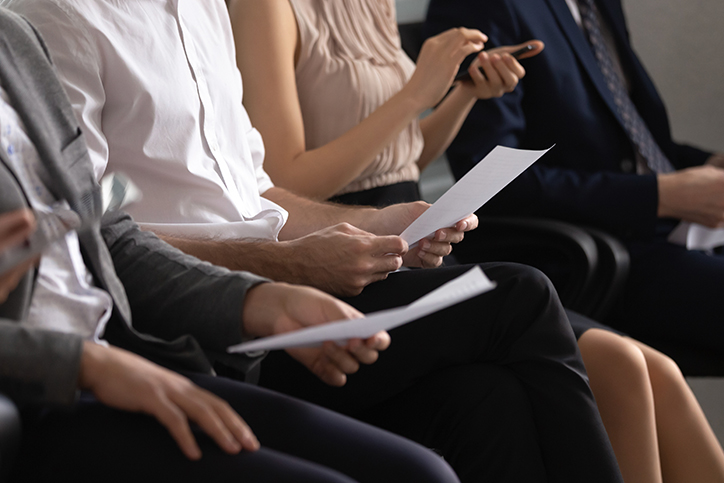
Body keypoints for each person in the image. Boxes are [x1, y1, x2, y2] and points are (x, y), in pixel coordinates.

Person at [3, 1, 628, 481]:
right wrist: (279, 269)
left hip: (272, 283)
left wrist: (367, 227)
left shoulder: (200, 10)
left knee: (486, 400)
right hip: (196, 319)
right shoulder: (56, 20)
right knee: (517, 293)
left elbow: (255, 191)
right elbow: (97, 242)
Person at [229, 1, 724, 482]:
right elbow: (281, 180)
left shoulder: (372, 4)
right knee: (614, 363)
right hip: (340, 248)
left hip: (413, 237)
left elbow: (403, 159)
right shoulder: (267, 7)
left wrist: (464, 93)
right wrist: (417, 94)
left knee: (650, 367)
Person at [423, 0, 724, 354]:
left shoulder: (597, 6)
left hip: (669, 228)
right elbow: (494, 182)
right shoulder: (486, 7)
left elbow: (628, 139)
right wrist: (659, 196)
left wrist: (707, 164)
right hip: (593, 253)